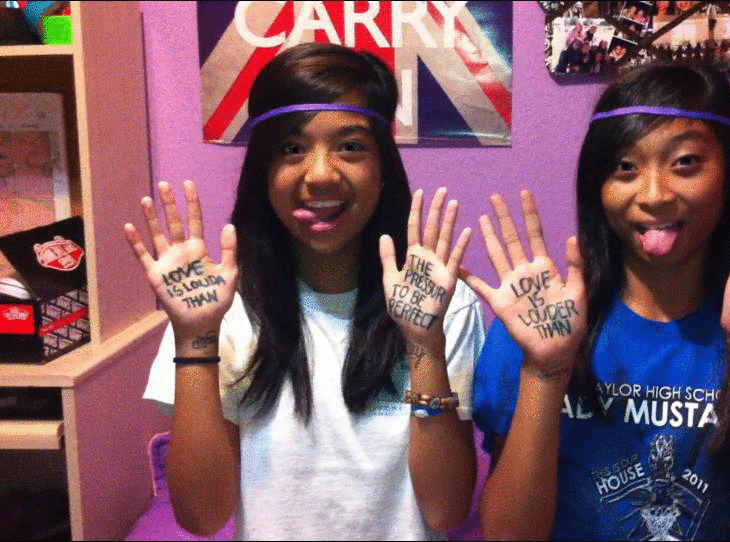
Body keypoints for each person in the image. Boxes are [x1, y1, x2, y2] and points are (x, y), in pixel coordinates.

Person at [466, 65, 730, 540]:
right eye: (625, 167)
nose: (654, 195)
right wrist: (544, 370)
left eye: (684, 162)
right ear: (597, 184)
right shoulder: (539, 324)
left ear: (729, 174)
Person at [124, 43, 484, 540]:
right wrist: (194, 338)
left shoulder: (441, 305)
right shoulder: (218, 308)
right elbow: (203, 516)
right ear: (263, 171)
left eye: (350, 146)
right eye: (292, 149)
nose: (320, 175)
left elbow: (446, 510)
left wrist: (423, 342)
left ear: (383, 167)